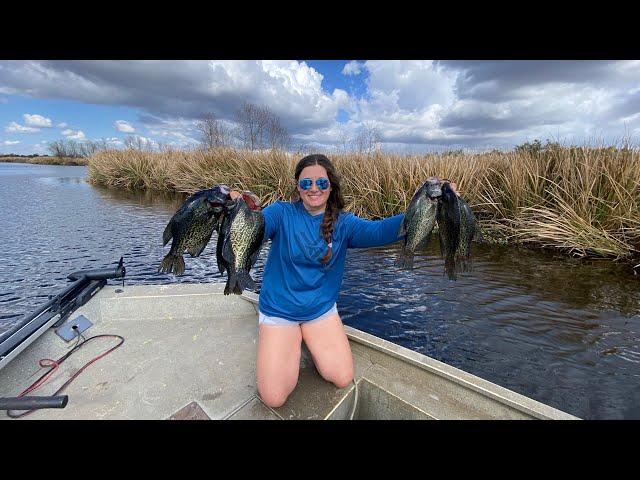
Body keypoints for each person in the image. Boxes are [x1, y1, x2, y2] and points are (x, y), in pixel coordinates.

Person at [229, 153, 455, 408]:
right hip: (280, 311)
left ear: (331, 186)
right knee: (274, 397)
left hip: (319, 311)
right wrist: (245, 211)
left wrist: (429, 206)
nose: (313, 189)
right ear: (297, 186)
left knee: (342, 377)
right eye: (306, 183)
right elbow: (259, 227)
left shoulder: (344, 223)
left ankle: (304, 337)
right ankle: (286, 337)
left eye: (321, 183)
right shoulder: (281, 213)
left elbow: (378, 231)